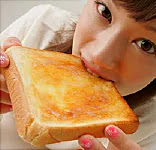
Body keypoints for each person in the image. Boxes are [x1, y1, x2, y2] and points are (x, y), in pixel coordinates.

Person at [0, 0, 156, 149]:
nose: (99, 56)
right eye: (105, 11)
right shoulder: (39, 28)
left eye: (146, 45)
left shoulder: (149, 128)